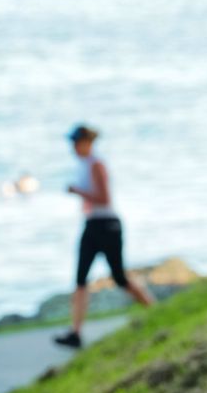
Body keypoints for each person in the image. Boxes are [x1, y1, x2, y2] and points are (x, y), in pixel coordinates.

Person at [54, 125, 152, 348]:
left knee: (119, 277)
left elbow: (104, 198)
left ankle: (154, 309)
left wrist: (77, 192)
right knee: (80, 279)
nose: (74, 148)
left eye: (76, 143)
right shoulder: (83, 166)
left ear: (86, 142)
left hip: (106, 225)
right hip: (91, 224)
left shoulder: (97, 164)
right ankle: (75, 332)